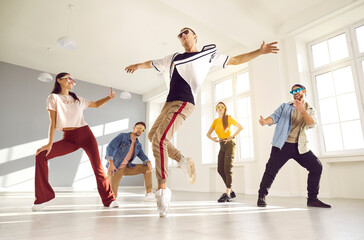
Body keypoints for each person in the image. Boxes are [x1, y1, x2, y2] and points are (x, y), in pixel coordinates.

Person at [125, 27, 279, 217]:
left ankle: (163, 191)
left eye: (186, 32)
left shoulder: (207, 55)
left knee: (160, 139)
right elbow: (150, 63)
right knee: (152, 135)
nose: (182, 36)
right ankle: (182, 160)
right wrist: (137, 65)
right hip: (168, 104)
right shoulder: (173, 58)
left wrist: (260, 51)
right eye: (179, 35)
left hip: (184, 102)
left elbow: (236, 60)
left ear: (195, 36)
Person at [33, 72, 119, 211]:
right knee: (40, 156)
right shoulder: (53, 98)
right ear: (59, 80)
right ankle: (42, 197)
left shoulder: (77, 98)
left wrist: (109, 97)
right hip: (69, 138)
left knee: (98, 168)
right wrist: (49, 143)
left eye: (73, 80)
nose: (71, 81)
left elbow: (96, 104)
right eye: (68, 78)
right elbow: (53, 121)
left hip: (86, 134)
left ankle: (109, 200)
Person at [257, 84, 331, 208]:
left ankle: (312, 199)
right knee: (271, 170)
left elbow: (311, 124)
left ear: (304, 91)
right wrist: (265, 122)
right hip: (282, 145)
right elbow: (274, 117)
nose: (295, 93)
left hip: (300, 146)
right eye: (293, 91)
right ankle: (261, 196)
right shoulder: (285, 106)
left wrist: (302, 110)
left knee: (316, 167)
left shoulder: (310, 110)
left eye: (297, 90)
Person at [105, 121, 155, 202]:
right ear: (134, 128)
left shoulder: (138, 145)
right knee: (112, 198)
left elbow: (142, 155)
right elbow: (109, 147)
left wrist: (149, 162)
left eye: (142, 130)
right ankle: (107, 180)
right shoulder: (123, 136)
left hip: (128, 167)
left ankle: (149, 193)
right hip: (116, 167)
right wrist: (111, 164)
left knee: (147, 168)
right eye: (139, 128)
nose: (140, 130)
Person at [206, 102, 243, 202]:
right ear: (216, 109)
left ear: (225, 108)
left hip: (230, 144)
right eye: (218, 107)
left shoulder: (228, 118)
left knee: (227, 168)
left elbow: (240, 127)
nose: (220, 108)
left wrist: (232, 136)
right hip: (221, 145)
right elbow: (208, 134)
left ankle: (227, 193)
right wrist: (212, 138)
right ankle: (231, 191)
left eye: (222, 107)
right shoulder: (215, 121)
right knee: (220, 169)